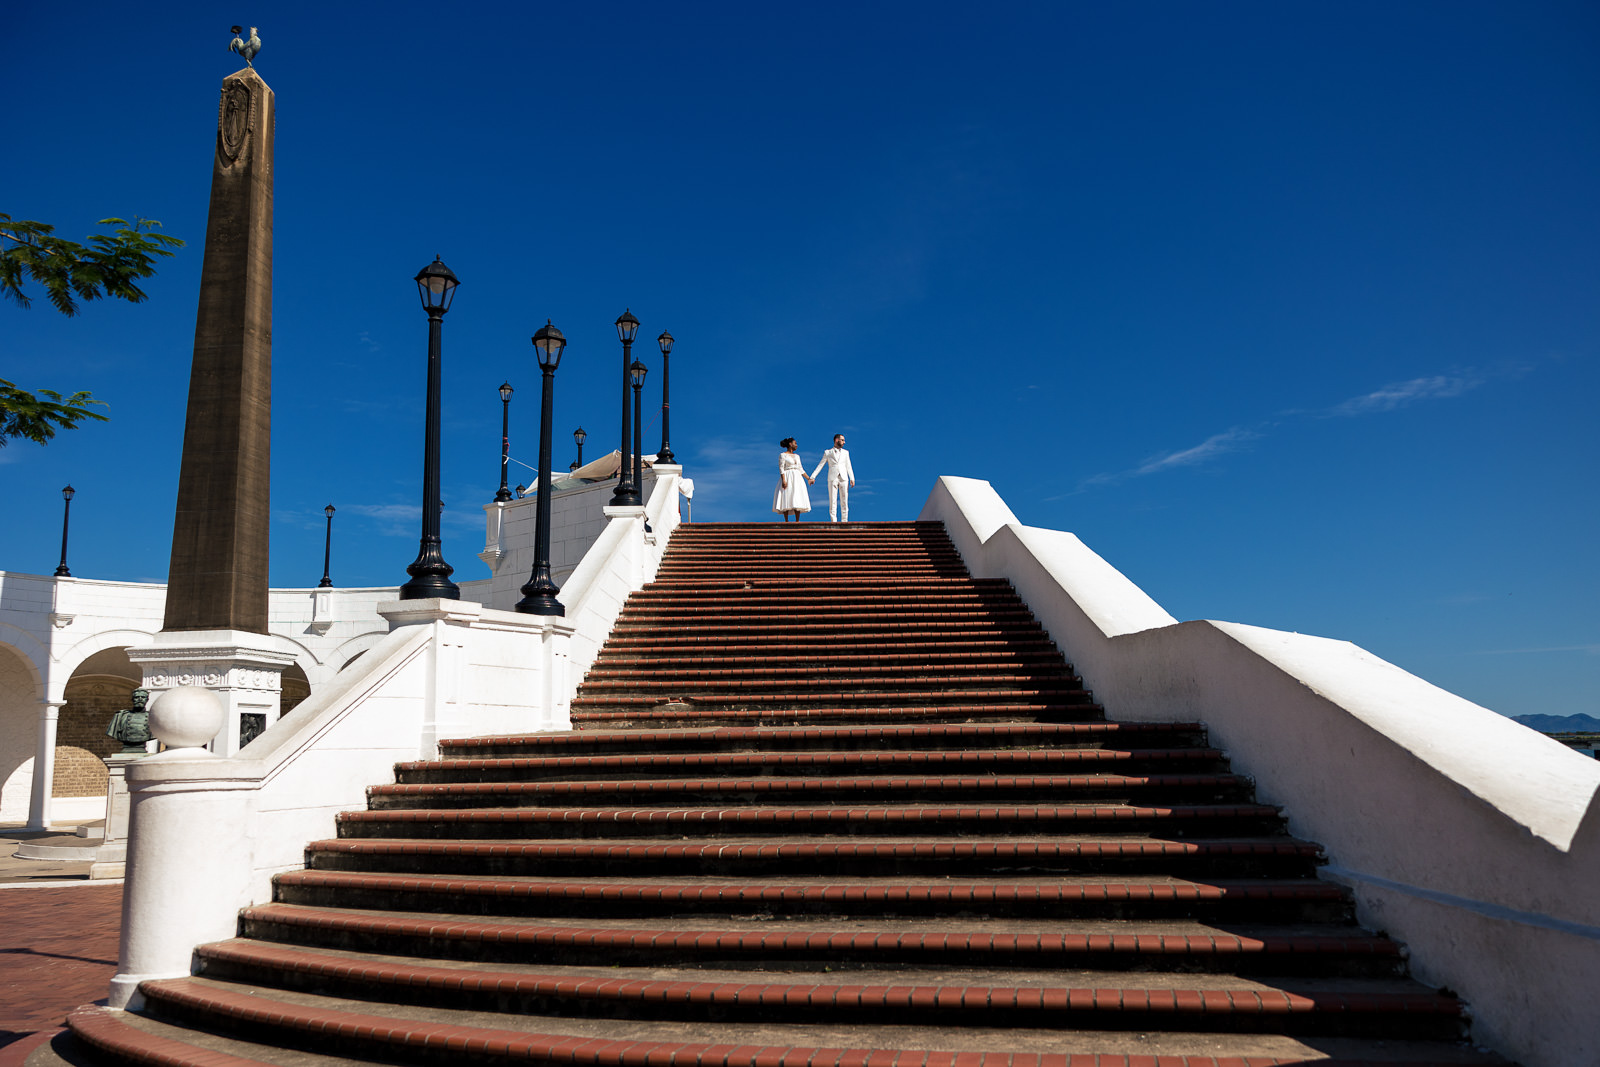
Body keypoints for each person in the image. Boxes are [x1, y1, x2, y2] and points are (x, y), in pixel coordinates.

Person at [810, 433, 856, 522]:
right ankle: (833, 521)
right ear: (836, 440)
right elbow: (820, 465)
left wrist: (852, 478)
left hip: (843, 477)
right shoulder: (828, 452)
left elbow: (848, 466)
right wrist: (813, 476)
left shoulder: (846, 452)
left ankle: (844, 521)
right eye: (842, 440)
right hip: (832, 477)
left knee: (844, 500)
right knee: (832, 500)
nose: (844, 442)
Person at [772, 437, 814, 521]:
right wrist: (783, 479)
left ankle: (797, 520)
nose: (796, 445)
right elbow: (781, 468)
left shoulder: (797, 456)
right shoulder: (783, 455)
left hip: (797, 477)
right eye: (795, 443)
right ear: (790, 444)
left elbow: (801, 469)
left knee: (796, 495)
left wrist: (808, 478)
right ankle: (786, 520)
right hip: (788, 475)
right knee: (787, 495)